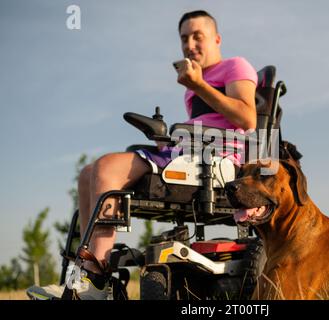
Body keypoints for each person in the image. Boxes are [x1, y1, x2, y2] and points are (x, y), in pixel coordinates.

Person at [26, 10, 257, 300]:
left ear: (217, 39)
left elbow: (247, 119)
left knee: (107, 167)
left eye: (198, 36)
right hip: (188, 151)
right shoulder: (194, 86)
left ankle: (98, 282)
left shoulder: (235, 66)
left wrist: (199, 85)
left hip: (215, 160)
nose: (190, 44)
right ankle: (82, 277)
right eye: (184, 38)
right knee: (88, 174)